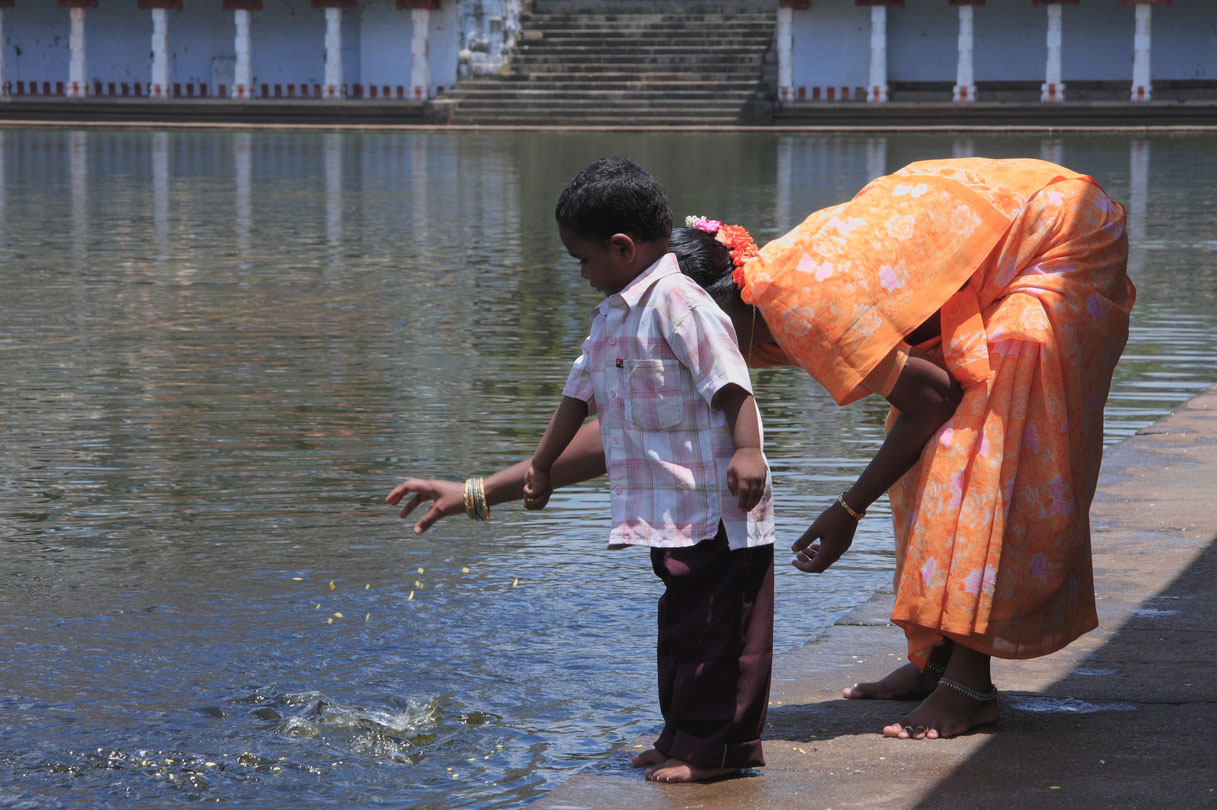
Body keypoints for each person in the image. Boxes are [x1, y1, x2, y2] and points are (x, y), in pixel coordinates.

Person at [390, 157, 1135, 743]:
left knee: (968, 446)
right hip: (988, 232)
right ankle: (935, 657)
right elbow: (626, 433)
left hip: (1058, 234)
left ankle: (968, 687)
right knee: (926, 444)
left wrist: (846, 508)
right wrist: (480, 490)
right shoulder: (724, 313)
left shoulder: (792, 309)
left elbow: (932, 397)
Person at [392, 157, 777, 784]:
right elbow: (578, 395)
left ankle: (719, 752)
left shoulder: (682, 303)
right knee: (680, 630)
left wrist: (747, 452)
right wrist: (540, 467)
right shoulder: (614, 316)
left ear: (621, 248)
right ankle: (679, 734)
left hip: (720, 507)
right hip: (671, 512)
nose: (582, 273)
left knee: (723, 637)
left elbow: (731, 384)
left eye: (583, 259)